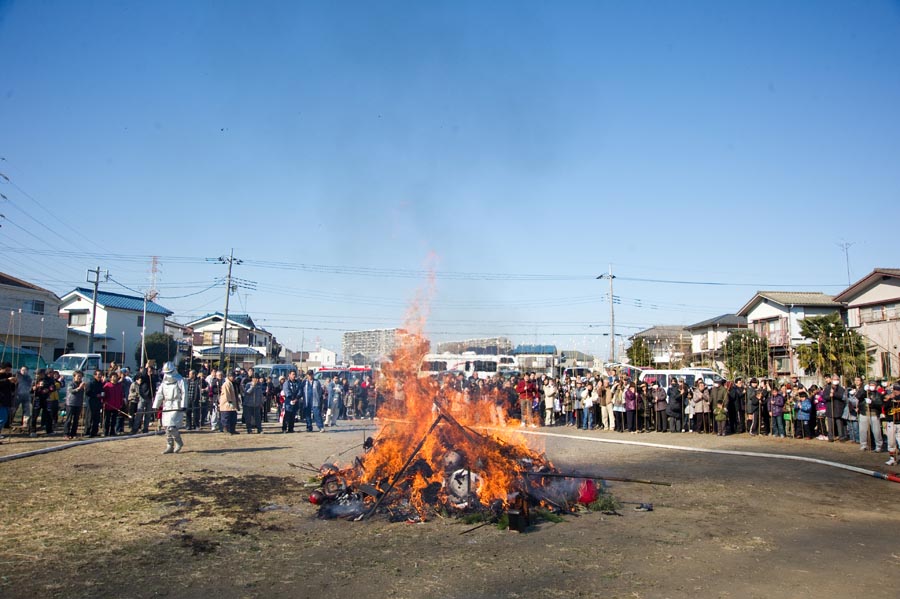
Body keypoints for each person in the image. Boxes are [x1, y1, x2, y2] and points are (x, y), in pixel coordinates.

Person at [153, 361, 186, 453]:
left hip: (176, 404)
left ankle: (178, 442)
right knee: (166, 426)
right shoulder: (164, 382)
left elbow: (184, 393)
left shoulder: (180, 380)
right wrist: (156, 405)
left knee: (172, 426)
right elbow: (159, 394)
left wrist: (184, 405)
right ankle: (169, 445)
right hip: (167, 404)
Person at [857, 379, 884, 452]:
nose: (872, 387)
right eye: (870, 385)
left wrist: (872, 403)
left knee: (876, 431)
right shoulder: (864, 393)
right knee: (863, 430)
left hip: (874, 414)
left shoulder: (878, 394)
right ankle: (863, 445)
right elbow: (858, 396)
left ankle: (879, 446)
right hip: (864, 413)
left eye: (873, 385)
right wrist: (863, 390)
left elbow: (880, 403)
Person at [822, 374, 845, 442]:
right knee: (830, 424)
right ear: (831, 380)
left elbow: (842, 396)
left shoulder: (841, 388)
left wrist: (834, 394)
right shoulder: (827, 388)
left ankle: (841, 437)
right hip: (830, 408)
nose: (836, 381)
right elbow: (824, 397)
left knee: (839, 424)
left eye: (837, 380)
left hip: (838, 408)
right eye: (834, 379)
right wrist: (830, 396)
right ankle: (831, 437)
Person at [64, 370, 86, 440]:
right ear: (74, 376)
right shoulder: (71, 383)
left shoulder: (82, 384)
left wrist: (84, 388)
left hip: (79, 404)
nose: (79, 378)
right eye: (78, 376)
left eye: (81, 376)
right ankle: (66, 434)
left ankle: (74, 433)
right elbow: (71, 391)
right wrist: (79, 388)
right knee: (69, 419)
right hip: (70, 403)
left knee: (76, 420)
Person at [102, 372, 125, 437]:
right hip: (108, 405)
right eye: (114, 376)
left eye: (116, 376)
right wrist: (103, 401)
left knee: (114, 420)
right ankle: (106, 432)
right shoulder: (107, 385)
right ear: (111, 377)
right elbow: (103, 395)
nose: (115, 378)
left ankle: (112, 431)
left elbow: (121, 395)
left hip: (116, 405)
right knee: (107, 420)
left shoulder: (119, 385)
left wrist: (121, 403)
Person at [218, 370, 240, 435]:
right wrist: (230, 402)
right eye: (233, 376)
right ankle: (226, 430)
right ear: (229, 377)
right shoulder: (226, 384)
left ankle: (232, 429)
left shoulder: (232, 383)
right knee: (226, 417)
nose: (234, 378)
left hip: (232, 403)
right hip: (227, 404)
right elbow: (226, 394)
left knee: (233, 417)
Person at [85, 369, 104, 438]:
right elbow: (87, 392)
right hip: (91, 402)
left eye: (100, 374)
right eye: (98, 374)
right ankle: (87, 432)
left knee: (97, 418)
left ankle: (94, 432)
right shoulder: (91, 383)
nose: (99, 376)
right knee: (89, 418)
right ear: (94, 375)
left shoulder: (101, 383)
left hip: (98, 403)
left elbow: (102, 391)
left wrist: (102, 395)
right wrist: (95, 395)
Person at [14, 365, 33, 434]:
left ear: (27, 371)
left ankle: (25, 423)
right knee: (14, 409)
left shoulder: (29, 378)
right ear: (20, 370)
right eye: (22, 370)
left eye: (25, 370)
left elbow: (30, 386)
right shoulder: (16, 376)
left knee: (26, 410)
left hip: (26, 395)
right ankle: (9, 422)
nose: (24, 371)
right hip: (17, 395)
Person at [884, 384, 900, 466]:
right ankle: (892, 459)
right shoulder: (889, 398)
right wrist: (889, 399)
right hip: (891, 421)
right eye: (895, 390)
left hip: (899, 423)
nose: (896, 391)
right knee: (891, 441)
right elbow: (884, 407)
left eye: (898, 390)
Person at [0, 362, 16, 443]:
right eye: (6, 370)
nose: (7, 372)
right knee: (2, 419)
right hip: (1, 401)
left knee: (5, 418)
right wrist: (7, 380)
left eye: (9, 370)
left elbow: (11, 389)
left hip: (6, 401)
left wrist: (14, 383)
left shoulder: (9, 375)